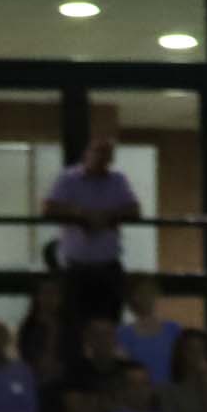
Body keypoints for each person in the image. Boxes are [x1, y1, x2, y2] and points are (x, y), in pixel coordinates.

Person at [43, 138, 139, 325]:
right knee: (74, 322)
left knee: (109, 320)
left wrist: (107, 216)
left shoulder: (117, 181)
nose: (101, 158)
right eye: (97, 152)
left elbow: (134, 210)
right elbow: (49, 209)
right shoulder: (68, 179)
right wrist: (81, 214)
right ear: (86, 154)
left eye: (106, 154)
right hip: (77, 265)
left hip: (108, 264)